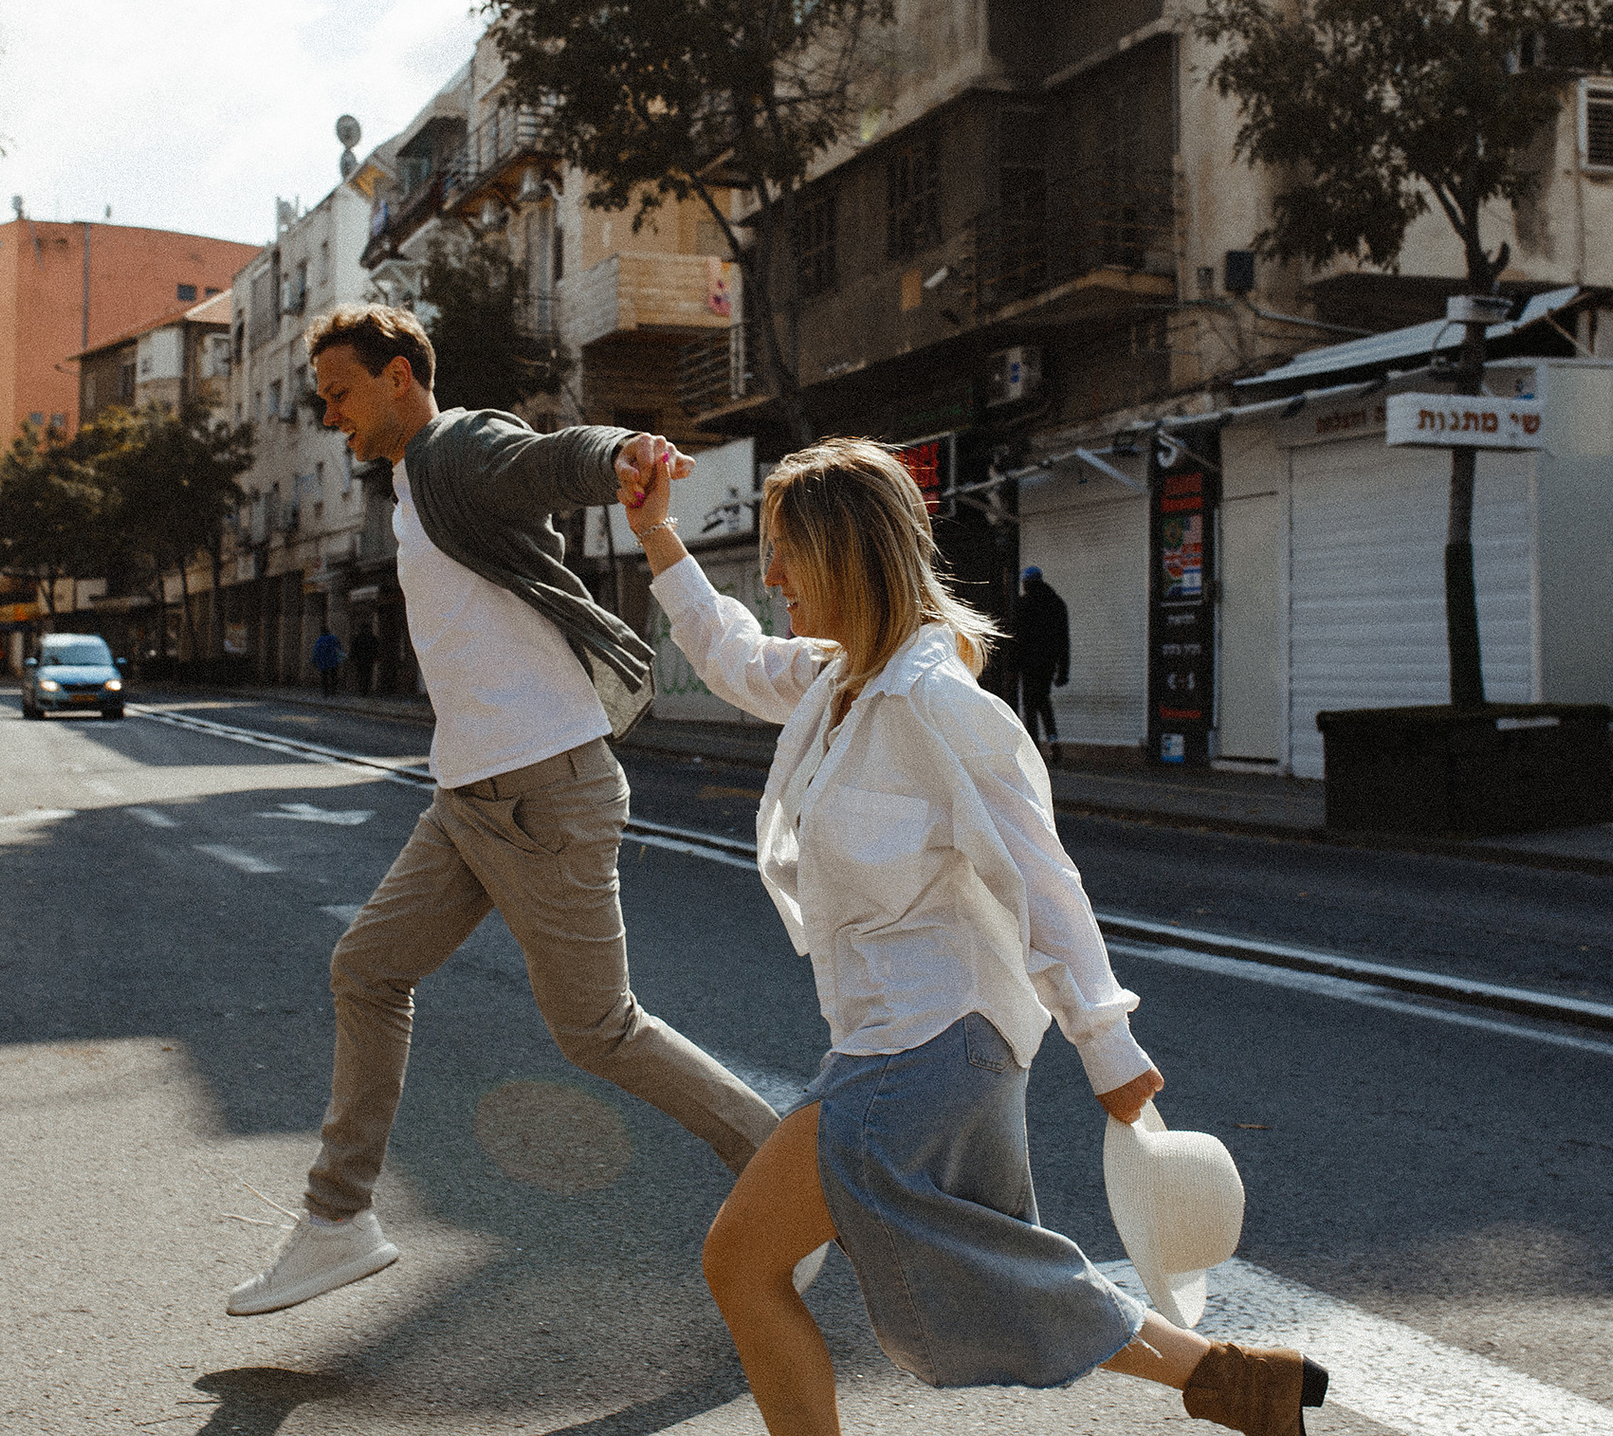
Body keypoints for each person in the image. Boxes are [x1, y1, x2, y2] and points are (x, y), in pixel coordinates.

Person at [621, 438, 1326, 1436]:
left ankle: (1225, 1382)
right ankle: (1234, 1384)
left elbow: (1040, 876)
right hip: (900, 1045)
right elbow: (726, 652)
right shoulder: (836, 687)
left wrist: (1107, 1046)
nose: (771, 575)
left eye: (786, 553)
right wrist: (655, 533)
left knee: (742, 1260)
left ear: (846, 557)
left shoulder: (933, 702)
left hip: (930, 1047)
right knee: (999, 1271)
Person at [225, 302, 780, 1318]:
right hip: (471, 794)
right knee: (368, 968)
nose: (330, 418)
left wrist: (620, 453)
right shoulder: (407, 487)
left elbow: (546, 458)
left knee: (597, 1031)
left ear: (399, 377)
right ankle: (339, 1219)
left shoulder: (454, 446)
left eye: (340, 395)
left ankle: (783, 1171)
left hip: (538, 788)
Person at [1012, 564, 1069, 767]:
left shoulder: (1022, 605)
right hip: (1047, 664)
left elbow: (1015, 638)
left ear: (1025, 583)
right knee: (1044, 701)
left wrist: (1013, 665)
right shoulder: (1057, 604)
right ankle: (1053, 740)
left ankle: (1034, 749)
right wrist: (1063, 670)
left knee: (1029, 705)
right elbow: (1064, 641)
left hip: (1027, 664)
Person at [311, 627, 345, 699]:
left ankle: (325, 691)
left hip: (323, 661)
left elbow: (316, 651)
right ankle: (333, 690)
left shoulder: (320, 640)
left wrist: (314, 660)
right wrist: (341, 658)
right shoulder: (334, 638)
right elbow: (339, 648)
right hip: (333, 660)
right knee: (333, 675)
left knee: (324, 676)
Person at [349, 623, 380, 696]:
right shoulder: (372, 638)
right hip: (369, 659)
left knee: (360, 674)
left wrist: (352, 657)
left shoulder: (358, 637)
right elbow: (376, 648)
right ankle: (366, 689)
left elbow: (354, 648)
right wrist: (376, 657)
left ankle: (362, 689)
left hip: (360, 659)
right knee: (368, 674)